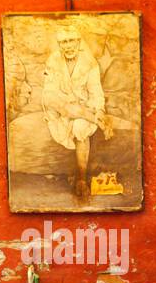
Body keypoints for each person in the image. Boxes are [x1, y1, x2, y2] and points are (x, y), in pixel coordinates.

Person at [40, 25, 110, 199]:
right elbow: (50, 92)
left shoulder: (90, 63)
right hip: (59, 104)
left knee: (80, 127)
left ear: (78, 42)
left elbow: (96, 93)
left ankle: (81, 178)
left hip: (82, 105)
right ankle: (91, 117)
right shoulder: (53, 60)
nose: (68, 45)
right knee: (67, 108)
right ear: (59, 44)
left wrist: (98, 109)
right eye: (64, 42)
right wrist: (66, 106)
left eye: (71, 40)